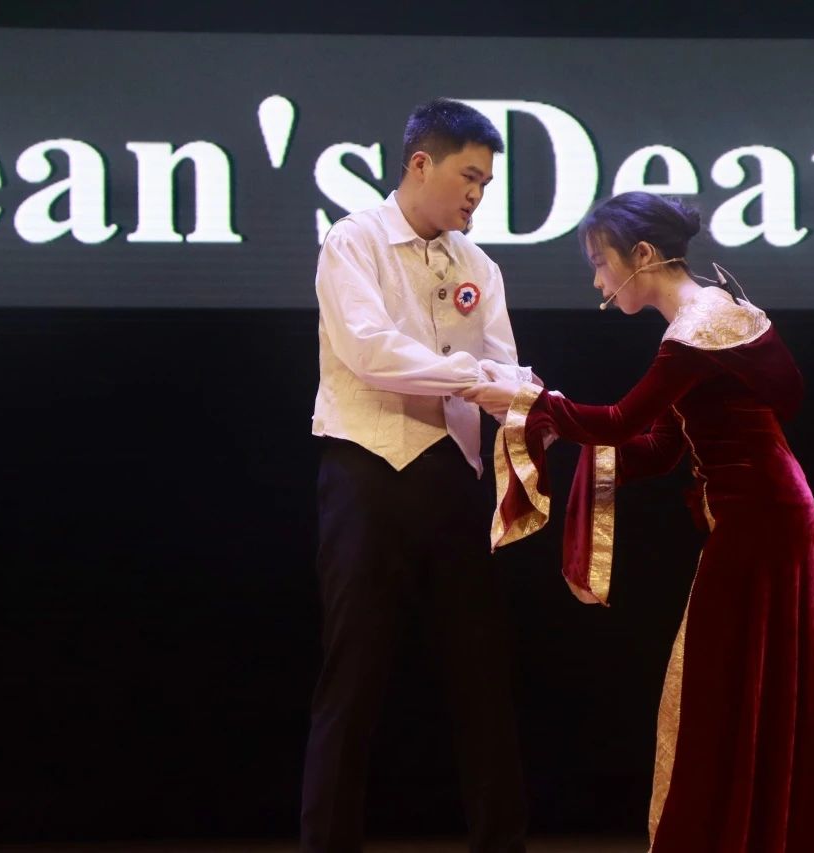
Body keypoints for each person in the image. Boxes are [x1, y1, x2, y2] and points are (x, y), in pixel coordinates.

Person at [464, 191, 814, 852]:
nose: (597, 281)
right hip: (771, 513)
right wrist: (560, 433)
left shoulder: (694, 332)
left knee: (713, 687)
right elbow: (659, 447)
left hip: (760, 520)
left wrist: (530, 402)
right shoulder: (708, 319)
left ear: (641, 255)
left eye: (601, 263)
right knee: (743, 688)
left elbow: (621, 420)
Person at [302, 98, 531, 853]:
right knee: (354, 675)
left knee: (482, 677)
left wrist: (533, 398)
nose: (477, 194)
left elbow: (503, 363)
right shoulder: (354, 240)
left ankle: (501, 845)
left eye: (486, 183)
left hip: (454, 479)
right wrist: (475, 377)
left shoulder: (479, 265)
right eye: (469, 176)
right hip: (367, 474)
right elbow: (369, 351)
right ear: (421, 164)